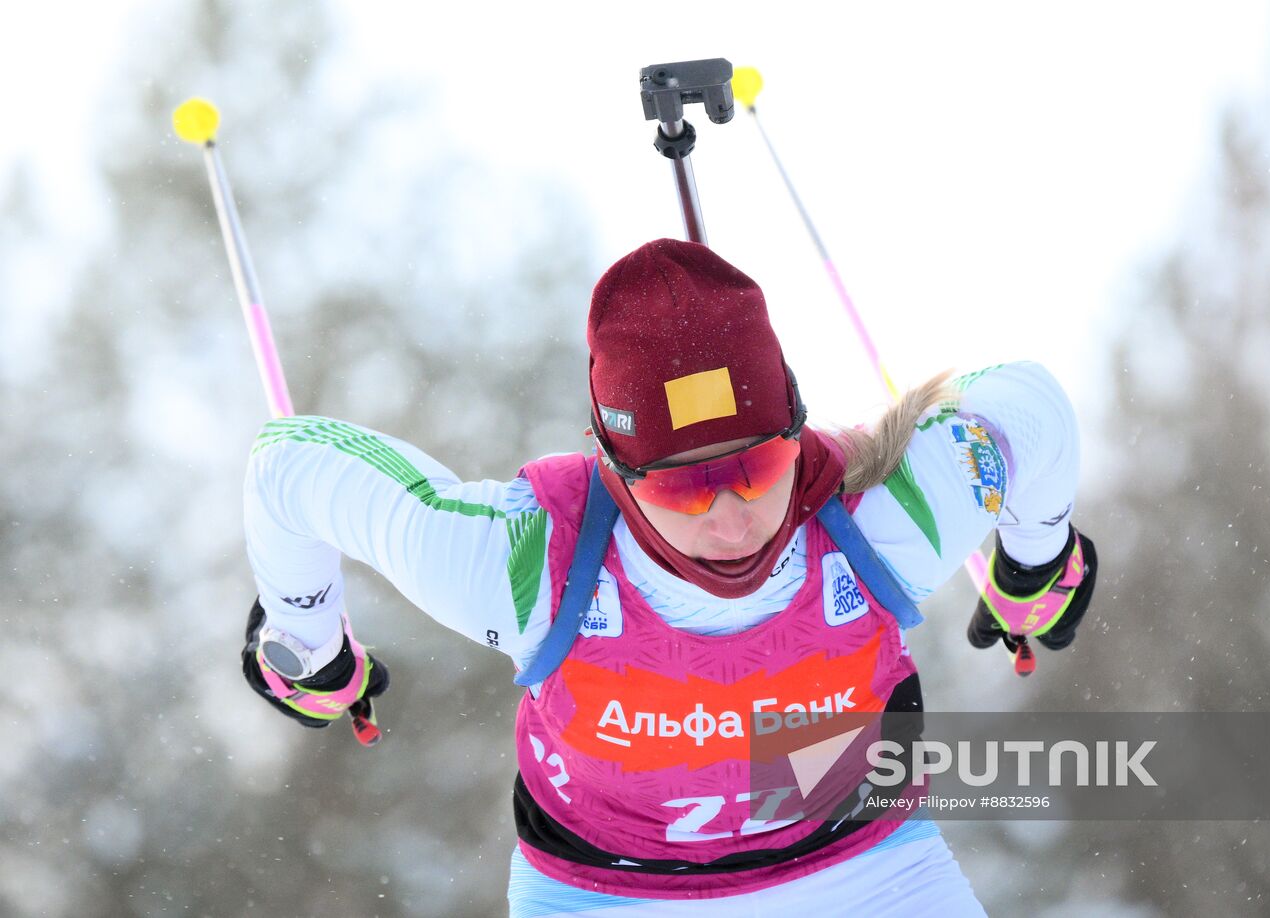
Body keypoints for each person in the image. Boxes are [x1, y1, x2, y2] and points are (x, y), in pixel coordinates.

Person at [241, 239, 1097, 916]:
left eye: (759, 469)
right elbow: (289, 465)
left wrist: (1035, 564)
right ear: (613, 466)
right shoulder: (530, 564)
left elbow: (1028, 402)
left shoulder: (886, 515)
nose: (728, 519)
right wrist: (305, 645)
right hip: (610, 895)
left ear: (797, 433)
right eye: (683, 485)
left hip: (870, 872)